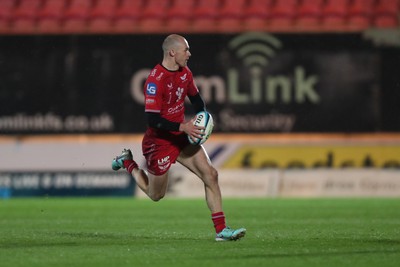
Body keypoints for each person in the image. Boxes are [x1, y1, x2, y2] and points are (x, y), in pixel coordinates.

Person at [111, 34, 246, 241]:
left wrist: (204, 118)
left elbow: (197, 100)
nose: (189, 54)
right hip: (159, 142)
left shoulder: (185, 73)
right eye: (186, 50)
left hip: (182, 137)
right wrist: (184, 127)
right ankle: (128, 162)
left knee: (211, 174)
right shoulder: (155, 81)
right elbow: (153, 121)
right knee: (156, 195)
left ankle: (221, 230)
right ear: (172, 52)